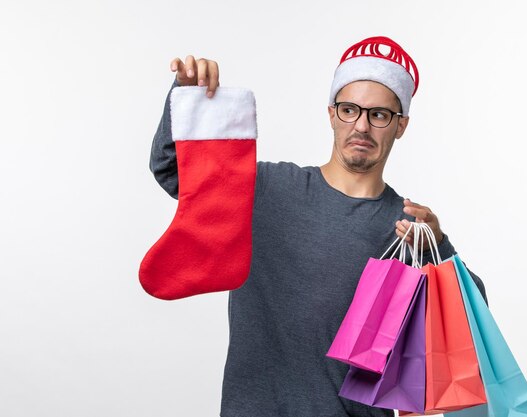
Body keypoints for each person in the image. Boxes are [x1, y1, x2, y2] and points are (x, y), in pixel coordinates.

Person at [149, 36, 487, 417]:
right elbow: (172, 172)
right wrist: (187, 99)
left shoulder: (409, 228)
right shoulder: (266, 188)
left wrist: (438, 247)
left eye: (379, 115)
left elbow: (472, 327)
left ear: (400, 125)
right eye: (349, 109)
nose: (361, 125)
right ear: (331, 113)